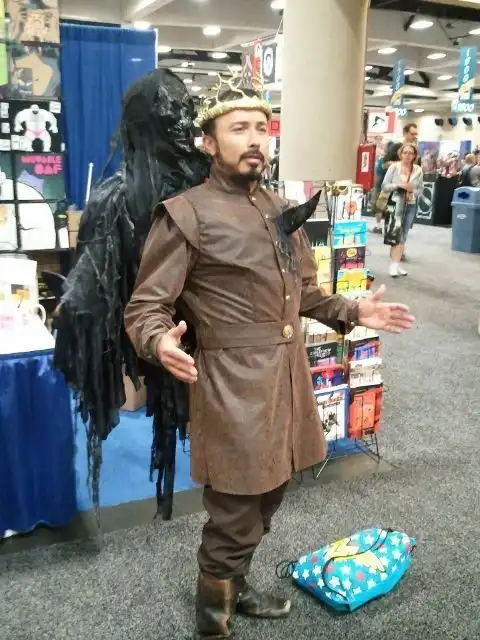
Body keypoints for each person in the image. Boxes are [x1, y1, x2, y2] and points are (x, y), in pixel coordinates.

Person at [124, 77, 415, 639]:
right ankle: (213, 616)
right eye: (239, 129)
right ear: (209, 142)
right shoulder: (185, 214)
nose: (255, 138)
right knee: (236, 503)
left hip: (288, 377)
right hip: (231, 384)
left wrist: (355, 310)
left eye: (262, 127)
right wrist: (159, 340)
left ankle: (235, 583)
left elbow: (304, 293)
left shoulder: (281, 209)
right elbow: (145, 306)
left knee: (272, 491)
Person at [53, 68, 211, 518]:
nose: (181, 124)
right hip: (152, 330)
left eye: (186, 112)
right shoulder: (118, 198)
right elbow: (88, 295)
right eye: (172, 114)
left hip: (206, 337)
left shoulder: (207, 186)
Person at [382, 143, 423, 277]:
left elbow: (420, 189)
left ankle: (396, 263)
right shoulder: (394, 167)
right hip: (395, 204)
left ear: (414, 155)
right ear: (401, 154)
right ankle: (394, 264)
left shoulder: (418, 170)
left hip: (410, 205)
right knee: (395, 233)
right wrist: (399, 185)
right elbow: (385, 186)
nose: (407, 155)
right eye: (405, 152)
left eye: (411, 153)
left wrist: (412, 191)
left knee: (403, 234)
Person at [370, 141, 394, 234]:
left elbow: (378, 174)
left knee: (379, 207)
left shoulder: (383, 160)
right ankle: (389, 227)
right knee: (389, 207)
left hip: (381, 186)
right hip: (392, 187)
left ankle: (378, 226)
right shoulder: (396, 162)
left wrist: (374, 186)